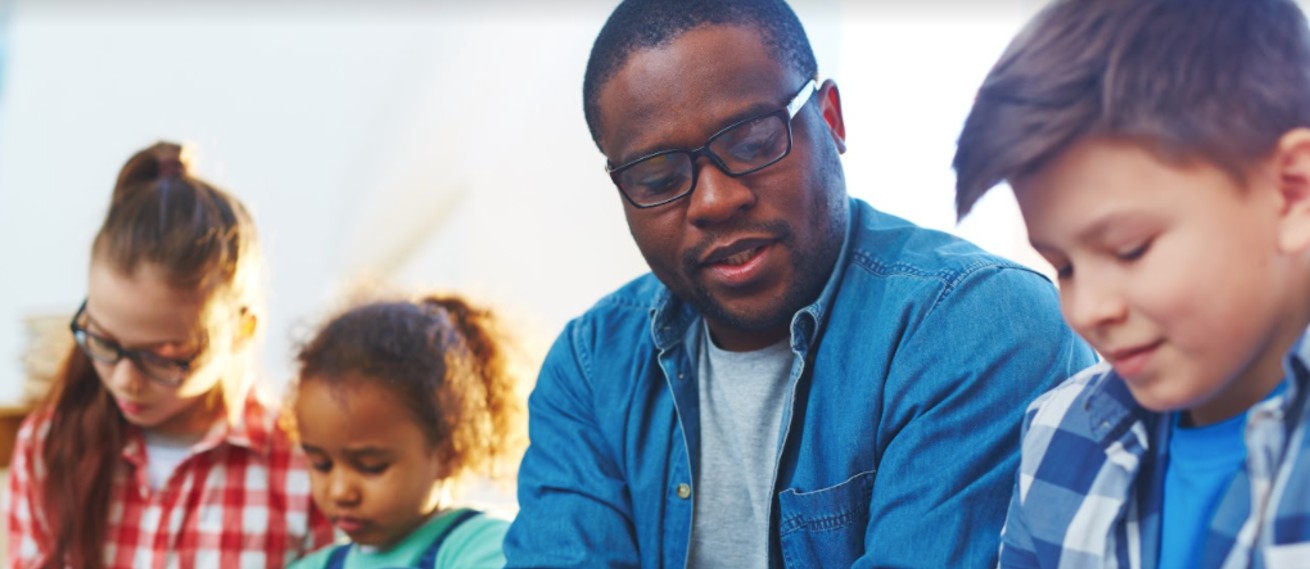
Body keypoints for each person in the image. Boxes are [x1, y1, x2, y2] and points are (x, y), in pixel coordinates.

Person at [504, 1, 1095, 567]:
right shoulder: (589, 366)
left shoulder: (980, 324)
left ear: (831, 119)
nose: (715, 200)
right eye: (658, 178)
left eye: (754, 142)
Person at [952, 0, 1310, 566]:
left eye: (1129, 249)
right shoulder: (1059, 435)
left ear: (1291, 192)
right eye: (1063, 266)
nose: (1088, 309)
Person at [6, 142, 333, 568]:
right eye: (103, 341)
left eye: (162, 357)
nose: (125, 378)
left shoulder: (302, 468)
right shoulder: (48, 448)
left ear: (241, 330)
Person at [288, 295, 525, 569]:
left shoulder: (487, 546)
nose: (341, 491)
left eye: (371, 466)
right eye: (321, 465)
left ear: (449, 453)